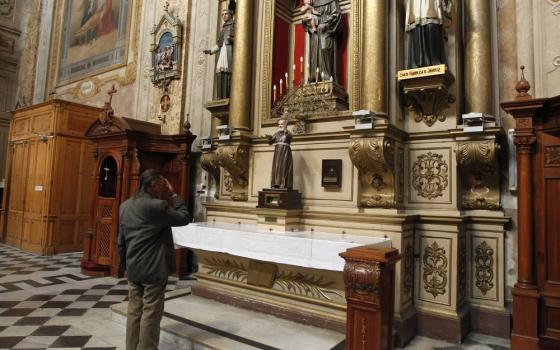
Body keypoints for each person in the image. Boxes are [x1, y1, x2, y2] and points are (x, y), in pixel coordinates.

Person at [118, 169, 190, 350]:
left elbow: (121, 240)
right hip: (154, 268)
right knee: (151, 312)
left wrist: (125, 265)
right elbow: (184, 217)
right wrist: (173, 194)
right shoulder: (157, 206)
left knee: (134, 311)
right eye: (161, 184)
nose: (163, 187)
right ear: (153, 185)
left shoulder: (125, 205)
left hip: (134, 267)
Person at [405, 0, 452, 69]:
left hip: (432, 6)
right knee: (417, 27)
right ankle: (418, 62)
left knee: (431, 25)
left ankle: (434, 60)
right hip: (416, 4)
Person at [303, 0, 341, 83]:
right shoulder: (313, 3)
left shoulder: (332, 1)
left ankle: (327, 78)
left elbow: (336, 14)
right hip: (315, 32)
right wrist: (308, 22)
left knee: (325, 50)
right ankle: (314, 78)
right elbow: (307, 16)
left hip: (326, 31)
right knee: (314, 54)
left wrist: (326, 24)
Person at [204, 9, 235, 99]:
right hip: (223, 52)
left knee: (228, 71)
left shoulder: (234, 26)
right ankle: (220, 96)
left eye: (226, 14)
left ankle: (228, 95)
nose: (224, 16)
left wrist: (232, 39)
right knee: (220, 72)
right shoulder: (223, 30)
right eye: (222, 15)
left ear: (231, 15)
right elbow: (219, 44)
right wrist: (210, 51)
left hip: (230, 51)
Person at [268, 119, 293, 189]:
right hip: (277, 152)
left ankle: (284, 184)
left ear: (285, 125)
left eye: (282, 124)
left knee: (284, 166)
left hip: (285, 151)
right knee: (276, 166)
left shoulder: (288, 133)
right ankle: (276, 183)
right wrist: (272, 135)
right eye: (279, 124)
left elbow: (290, 137)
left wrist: (285, 130)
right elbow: (270, 142)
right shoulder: (276, 134)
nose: (280, 126)